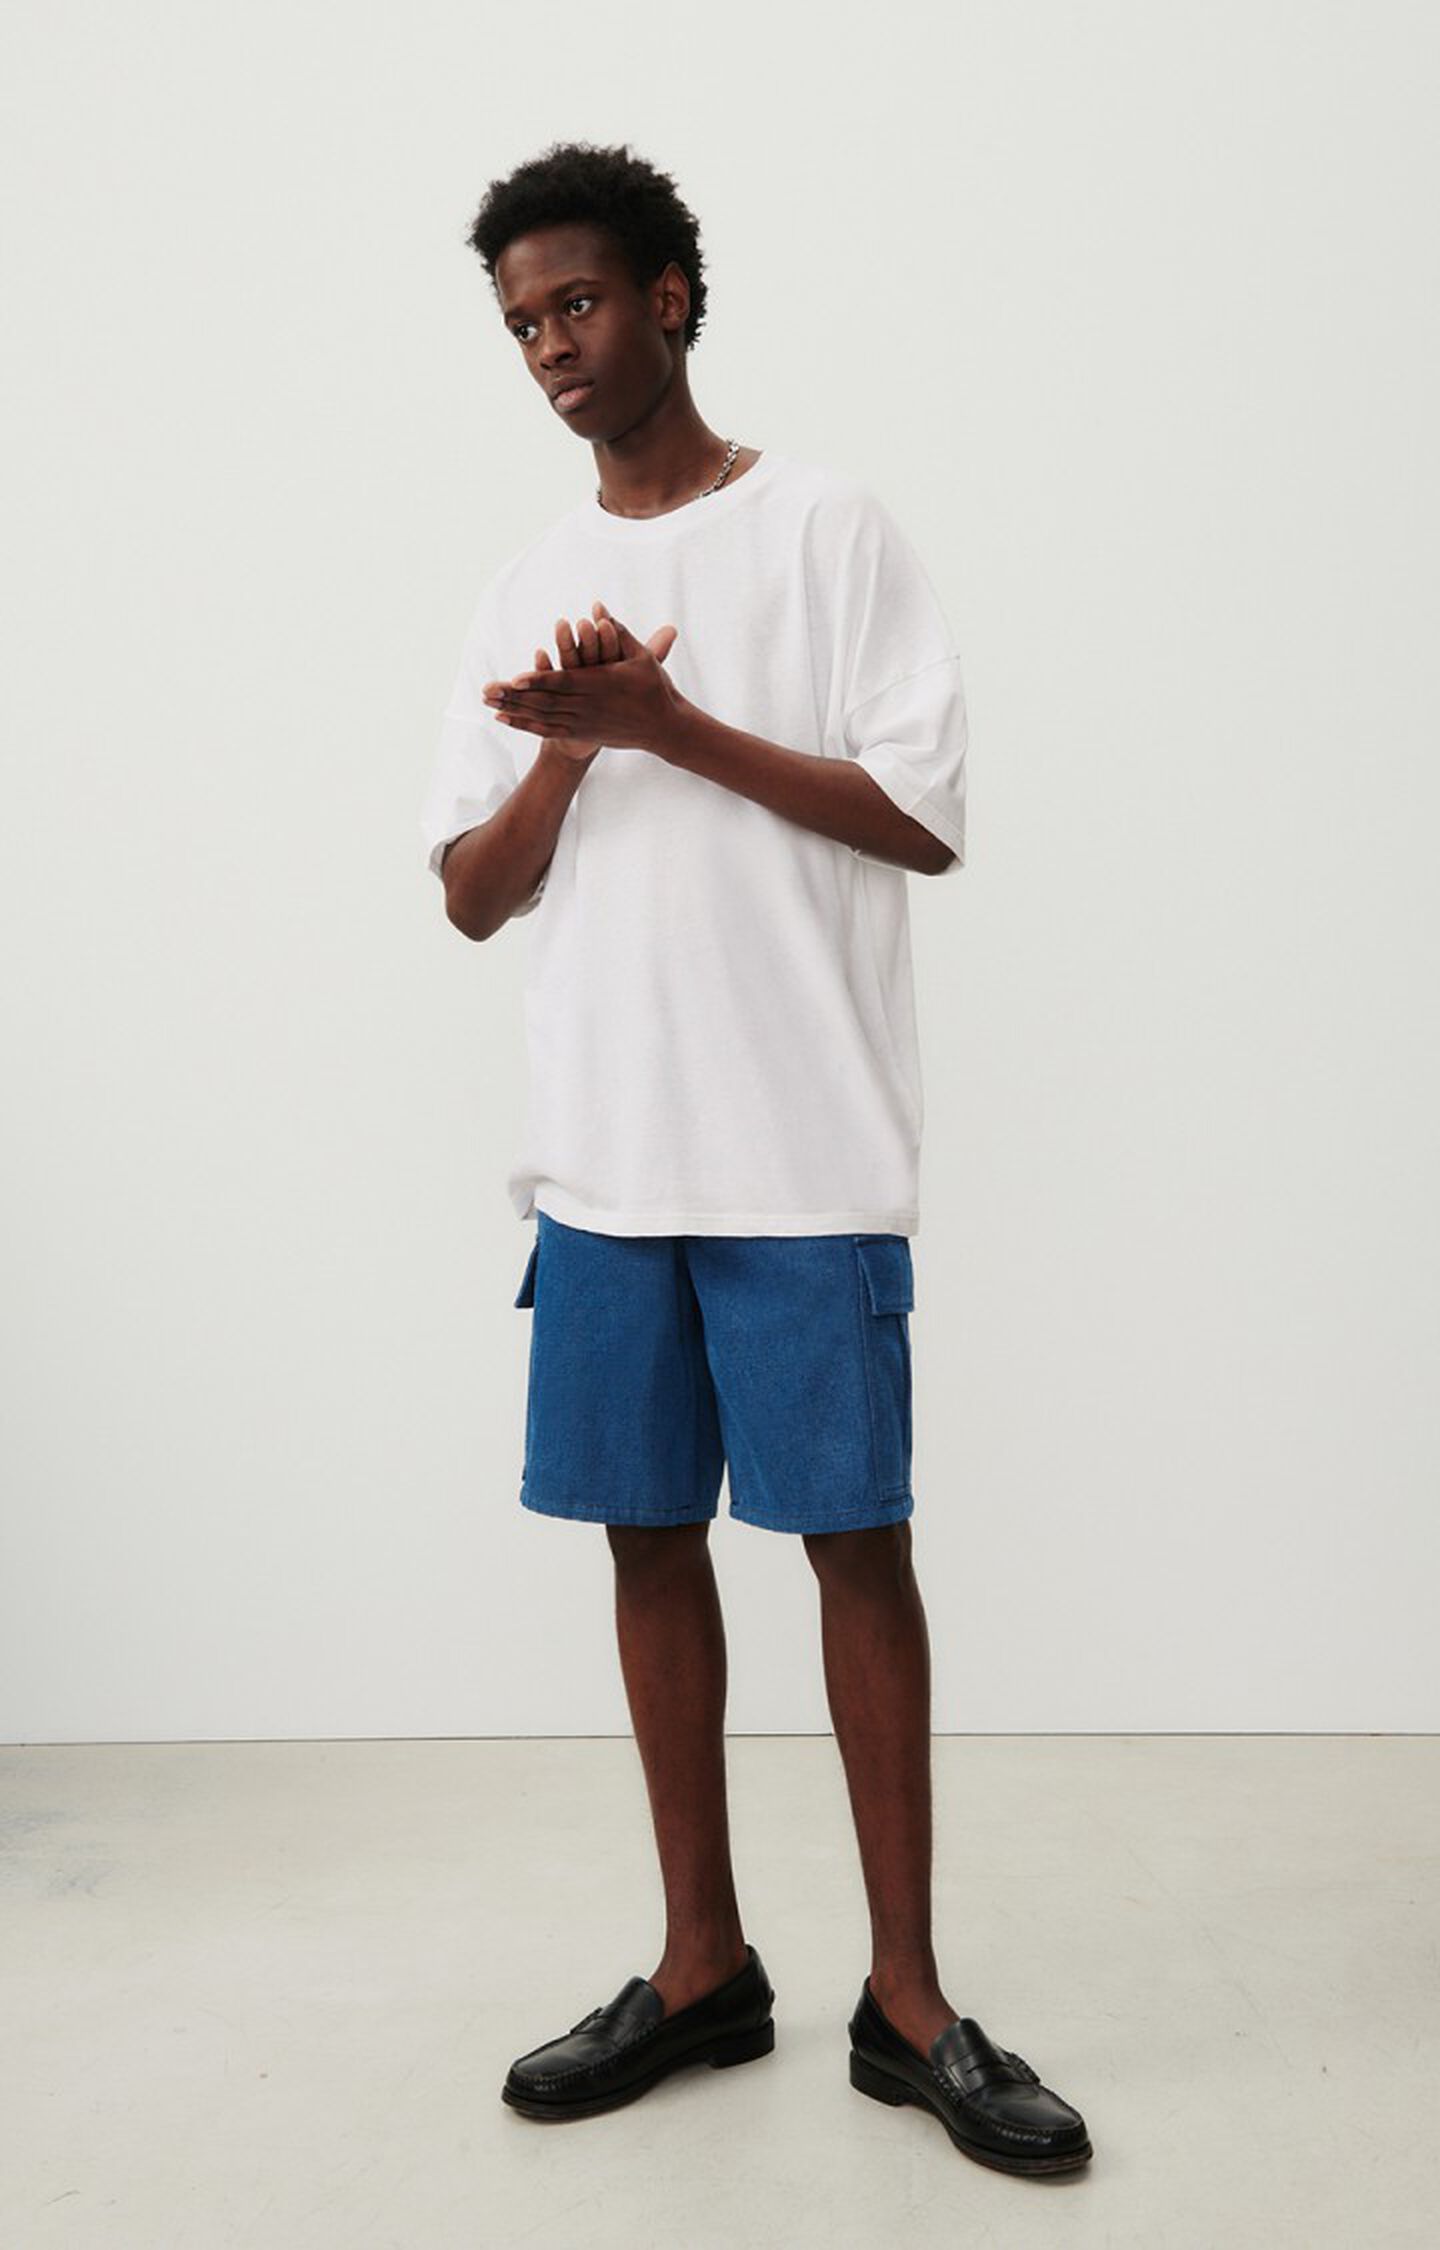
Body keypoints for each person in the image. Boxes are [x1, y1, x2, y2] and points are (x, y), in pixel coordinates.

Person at [420, 139, 1092, 2176]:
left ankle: (911, 2003)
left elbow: (923, 819)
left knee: (854, 1546)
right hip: (605, 1163)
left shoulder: (829, 530)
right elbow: (470, 895)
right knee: (646, 1542)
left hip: (804, 1153)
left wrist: (676, 725)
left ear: (671, 296)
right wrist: (572, 744)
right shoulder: (523, 580)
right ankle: (702, 1962)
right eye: (521, 323)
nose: (552, 346)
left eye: (578, 303)